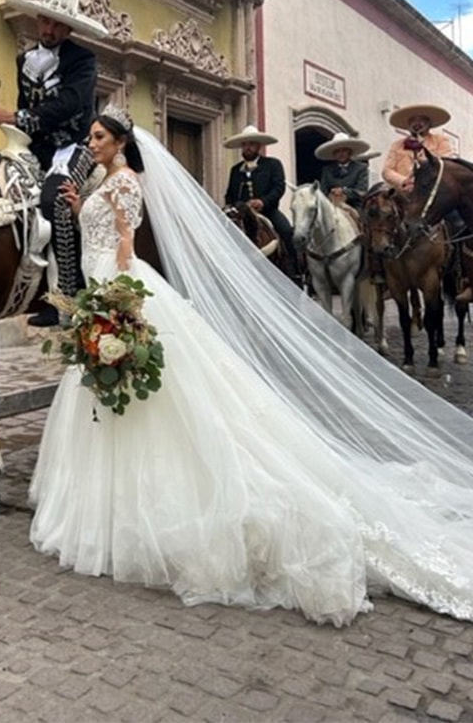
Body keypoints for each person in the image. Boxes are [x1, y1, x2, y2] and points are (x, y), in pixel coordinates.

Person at [29, 104, 473, 627]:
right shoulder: (111, 181)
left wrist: (120, 296)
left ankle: (453, 273)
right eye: (93, 134)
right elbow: (102, 227)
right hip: (100, 280)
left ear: (121, 142)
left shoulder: (130, 183)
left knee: (284, 227)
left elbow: (125, 240)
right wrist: (83, 204)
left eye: (99, 135)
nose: (93, 142)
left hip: (117, 281)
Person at [0, 0, 107, 327]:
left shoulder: (83, 61)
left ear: (68, 28)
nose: (49, 29)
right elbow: (26, 105)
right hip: (36, 147)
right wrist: (11, 127)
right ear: (38, 20)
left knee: (55, 199)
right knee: (0, 188)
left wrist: (16, 116)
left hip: (74, 146)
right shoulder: (23, 59)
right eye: (45, 22)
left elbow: (70, 103)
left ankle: (68, 298)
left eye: (57, 25)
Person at [223, 125, 300, 281]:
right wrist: (237, 207)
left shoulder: (273, 164)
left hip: (268, 211)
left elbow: (279, 187)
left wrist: (263, 202)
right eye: (244, 144)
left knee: (286, 231)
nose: (247, 147)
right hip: (243, 214)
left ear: (258, 146)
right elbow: (230, 194)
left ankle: (295, 273)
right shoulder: (235, 169)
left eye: (251, 144)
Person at [382, 104, 455, 193]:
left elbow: (445, 165)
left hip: (432, 192)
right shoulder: (397, 145)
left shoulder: (440, 141)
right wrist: (404, 181)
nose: (417, 123)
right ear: (408, 125)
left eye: (421, 120)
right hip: (403, 192)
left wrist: (426, 163)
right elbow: (387, 170)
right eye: (412, 120)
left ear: (428, 123)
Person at [316, 132, 370, 214]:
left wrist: (344, 191)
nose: (341, 154)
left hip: (354, 207)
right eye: (337, 151)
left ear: (350, 152)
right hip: (331, 207)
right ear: (334, 154)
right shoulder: (327, 170)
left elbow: (361, 191)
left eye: (344, 150)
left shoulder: (361, 168)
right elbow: (323, 191)